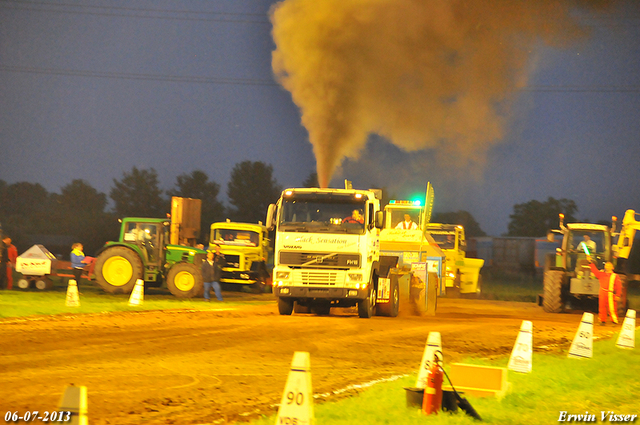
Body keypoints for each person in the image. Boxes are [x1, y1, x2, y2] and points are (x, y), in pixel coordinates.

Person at [587, 257, 622, 325]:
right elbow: (595, 271)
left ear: (612, 267)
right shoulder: (601, 274)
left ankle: (614, 320)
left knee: (612, 308)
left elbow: (619, 286)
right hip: (602, 292)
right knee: (602, 307)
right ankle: (602, 320)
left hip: (610, 293)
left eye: (609, 266)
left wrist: (618, 295)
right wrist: (590, 263)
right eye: (606, 265)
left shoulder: (615, 276)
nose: (607, 267)